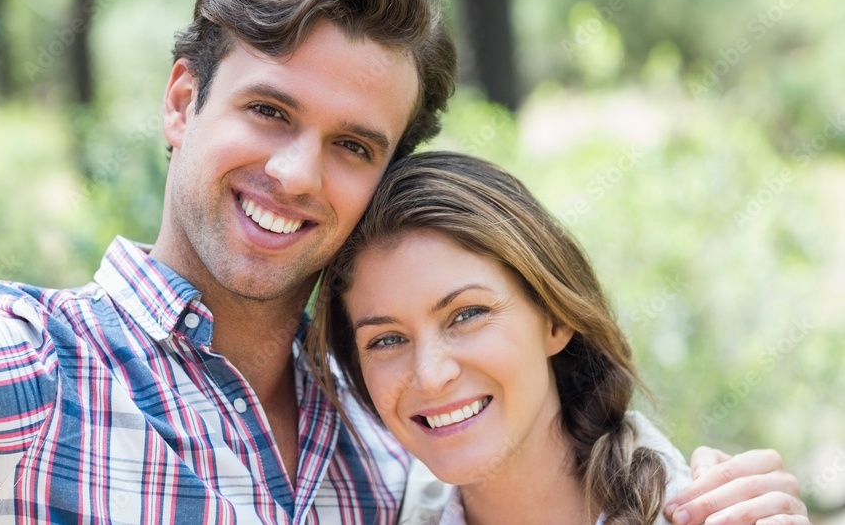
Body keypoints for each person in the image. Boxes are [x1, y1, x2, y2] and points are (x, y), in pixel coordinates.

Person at [0, 0, 807, 524]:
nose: (296, 172)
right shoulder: (28, 369)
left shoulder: (397, 447)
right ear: (184, 102)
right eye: (268, 111)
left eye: (353, 144)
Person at [309, 151, 810, 525]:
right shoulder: (384, 507)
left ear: (555, 318)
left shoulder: (712, 511)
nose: (432, 375)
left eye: (467, 314)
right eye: (387, 340)